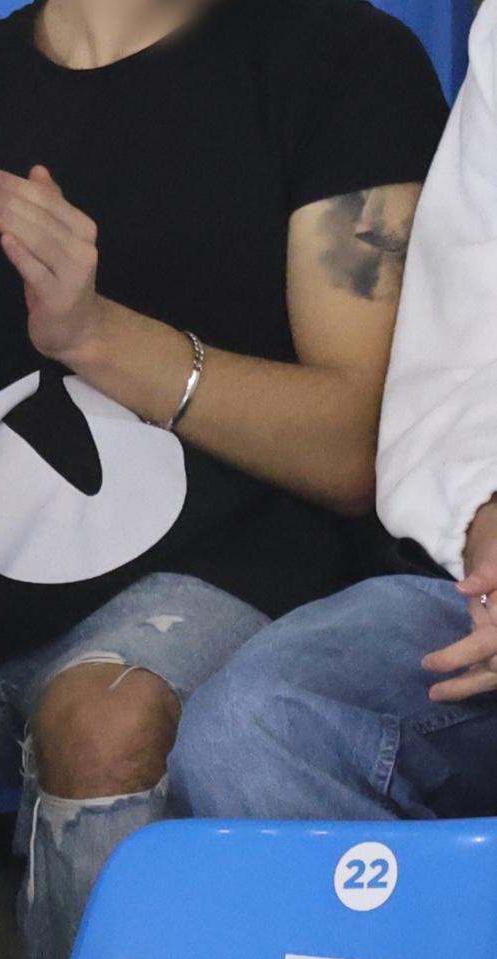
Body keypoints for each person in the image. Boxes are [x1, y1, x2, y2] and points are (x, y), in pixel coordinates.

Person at [0, 0, 446, 954]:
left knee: (105, 722)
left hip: (246, 564)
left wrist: (96, 335)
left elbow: (356, 448)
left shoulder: (342, 60)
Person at [170, 0, 497, 824]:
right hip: (472, 605)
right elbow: (464, 340)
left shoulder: (344, 60)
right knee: (257, 724)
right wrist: (487, 512)